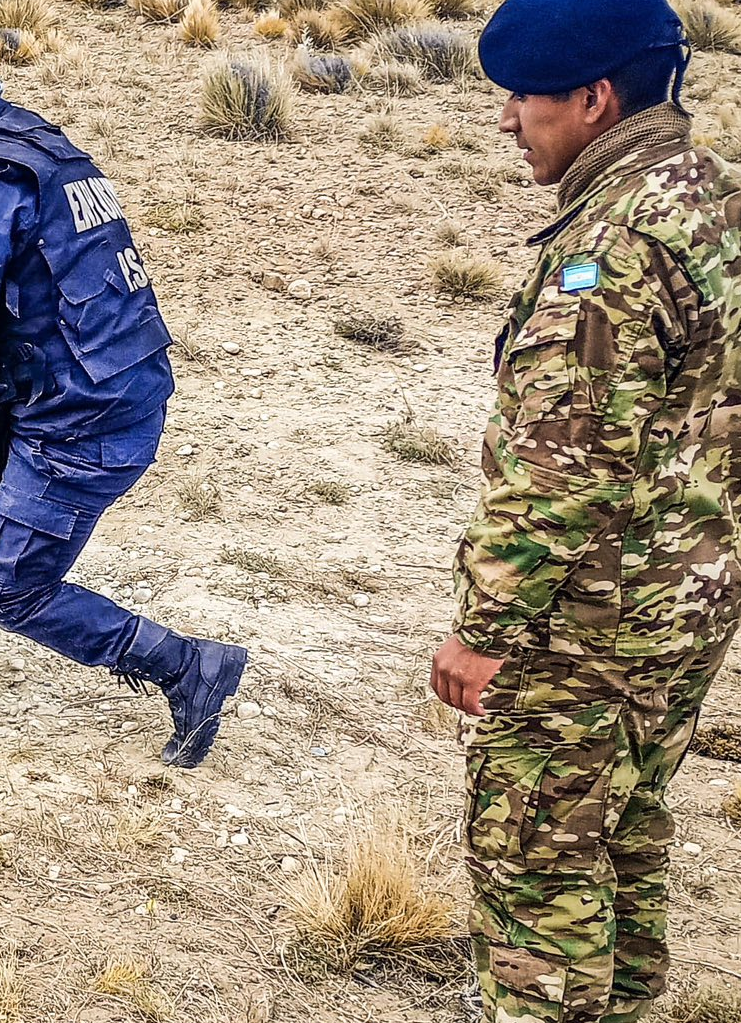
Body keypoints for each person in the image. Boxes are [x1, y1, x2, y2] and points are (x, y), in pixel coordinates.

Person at [429, 2, 741, 1020]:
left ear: (594, 98)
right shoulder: (708, 194)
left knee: (534, 859)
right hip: (687, 599)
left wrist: (484, 628)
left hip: (593, 620)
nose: (506, 120)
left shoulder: (611, 247)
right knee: (622, 832)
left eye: (522, 98)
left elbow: (564, 466)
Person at [0, 46, 248, 769]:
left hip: (82, 417)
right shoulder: (43, 150)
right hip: (89, 386)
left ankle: (187, 665)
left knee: (15, 590)